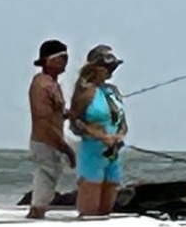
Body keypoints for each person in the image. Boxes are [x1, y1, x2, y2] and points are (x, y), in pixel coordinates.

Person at [69, 44, 128, 217]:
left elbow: (123, 122)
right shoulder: (85, 92)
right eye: (107, 67)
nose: (111, 71)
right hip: (92, 153)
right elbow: (75, 124)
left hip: (114, 153)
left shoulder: (113, 92)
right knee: (90, 208)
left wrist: (119, 135)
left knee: (107, 206)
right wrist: (99, 136)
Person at [26, 40, 73, 217]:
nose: (64, 63)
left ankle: (39, 210)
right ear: (48, 60)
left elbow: (55, 113)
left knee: (50, 175)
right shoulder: (42, 85)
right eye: (61, 59)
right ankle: (36, 212)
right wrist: (65, 147)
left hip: (52, 140)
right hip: (45, 140)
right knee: (46, 176)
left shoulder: (52, 84)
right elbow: (43, 120)